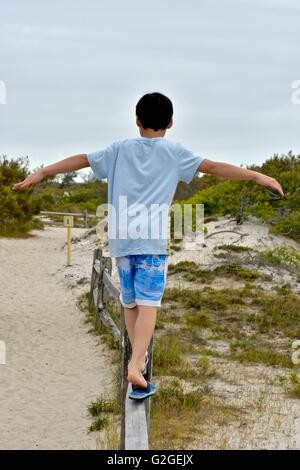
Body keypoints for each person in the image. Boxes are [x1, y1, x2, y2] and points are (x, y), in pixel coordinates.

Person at [12, 92, 284, 400]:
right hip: (152, 241)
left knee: (131, 303)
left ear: (137, 120)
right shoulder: (175, 153)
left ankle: (135, 362)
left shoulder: (118, 149)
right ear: (170, 122)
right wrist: (257, 175)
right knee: (150, 303)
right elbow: (216, 168)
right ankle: (137, 363)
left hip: (122, 240)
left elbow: (82, 159)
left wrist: (43, 172)